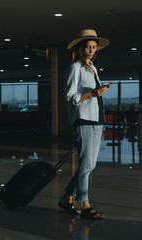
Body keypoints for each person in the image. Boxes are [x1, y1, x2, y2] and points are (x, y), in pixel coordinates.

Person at [58, 29, 110, 220]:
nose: (90, 50)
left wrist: (99, 92)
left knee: (90, 164)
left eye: (93, 47)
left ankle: (66, 198)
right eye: (88, 47)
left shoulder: (93, 68)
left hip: (97, 118)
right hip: (83, 118)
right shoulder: (75, 68)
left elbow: (92, 94)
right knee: (86, 163)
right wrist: (92, 94)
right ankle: (84, 203)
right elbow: (70, 97)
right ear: (81, 48)